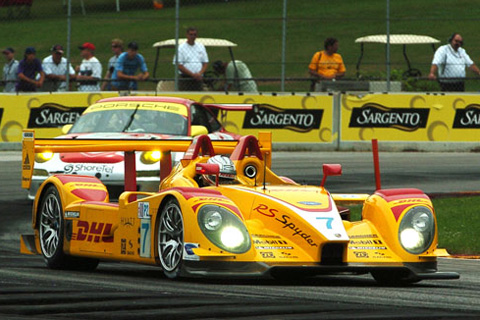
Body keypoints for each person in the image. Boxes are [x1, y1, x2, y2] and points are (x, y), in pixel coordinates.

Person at [173, 27, 209, 91]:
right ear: (187, 35)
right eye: (191, 34)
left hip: (198, 78)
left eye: (194, 35)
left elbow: (205, 62)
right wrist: (192, 75)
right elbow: (179, 65)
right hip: (186, 79)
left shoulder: (201, 46)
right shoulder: (181, 48)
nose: (193, 36)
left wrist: (199, 74)